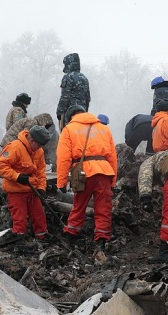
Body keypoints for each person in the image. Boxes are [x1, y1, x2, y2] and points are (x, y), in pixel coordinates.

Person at [56, 105, 118, 253]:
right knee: (103, 206)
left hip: (83, 172)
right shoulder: (104, 128)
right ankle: (102, 239)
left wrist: (62, 182)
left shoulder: (69, 129)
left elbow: (63, 158)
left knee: (79, 204)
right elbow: (112, 157)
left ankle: (71, 233)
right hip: (104, 172)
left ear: (71, 116)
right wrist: (113, 180)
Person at [0, 125, 50, 240]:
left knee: (39, 216)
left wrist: (41, 188)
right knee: (20, 220)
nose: (40, 147)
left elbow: (41, 171)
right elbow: (1, 166)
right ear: (31, 140)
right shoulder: (15, 147)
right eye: (39, 144)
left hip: (32, 190)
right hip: (16, 191)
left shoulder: (38, 151)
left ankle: (43, 238)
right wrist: (17, 176)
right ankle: (19, 240)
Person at [56, 53, 91, 131]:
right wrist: (85, 111)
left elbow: (65, 97)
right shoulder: (84, 78)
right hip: (82, 115)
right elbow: (88, 98)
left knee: (68, 136)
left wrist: (59, 112)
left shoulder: (68, 77)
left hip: (70, 115)